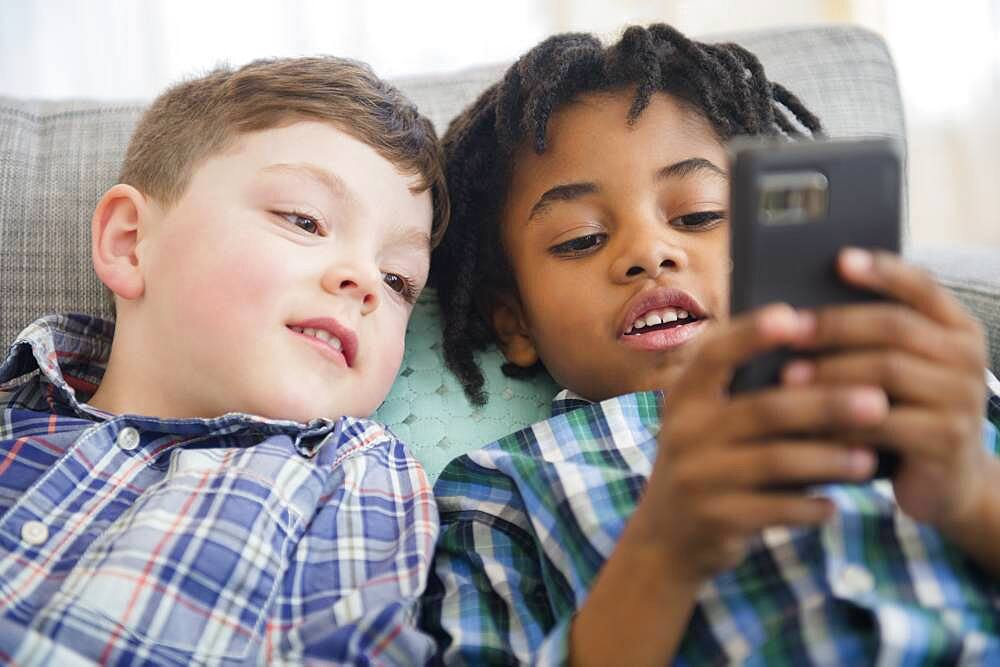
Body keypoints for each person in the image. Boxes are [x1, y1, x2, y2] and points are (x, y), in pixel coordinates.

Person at [420, 24, 1000, 664]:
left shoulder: (923, 382)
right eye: (581, 239)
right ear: (515, 325)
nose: (649, 253)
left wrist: (972, 495)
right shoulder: (501, 488)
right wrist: (664, 553)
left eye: (697, 215)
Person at [0, 56, 449, 665]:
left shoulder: (352, 475)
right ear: (132, 243)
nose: (367, 281)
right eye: (305, 221)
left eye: (399, 280)